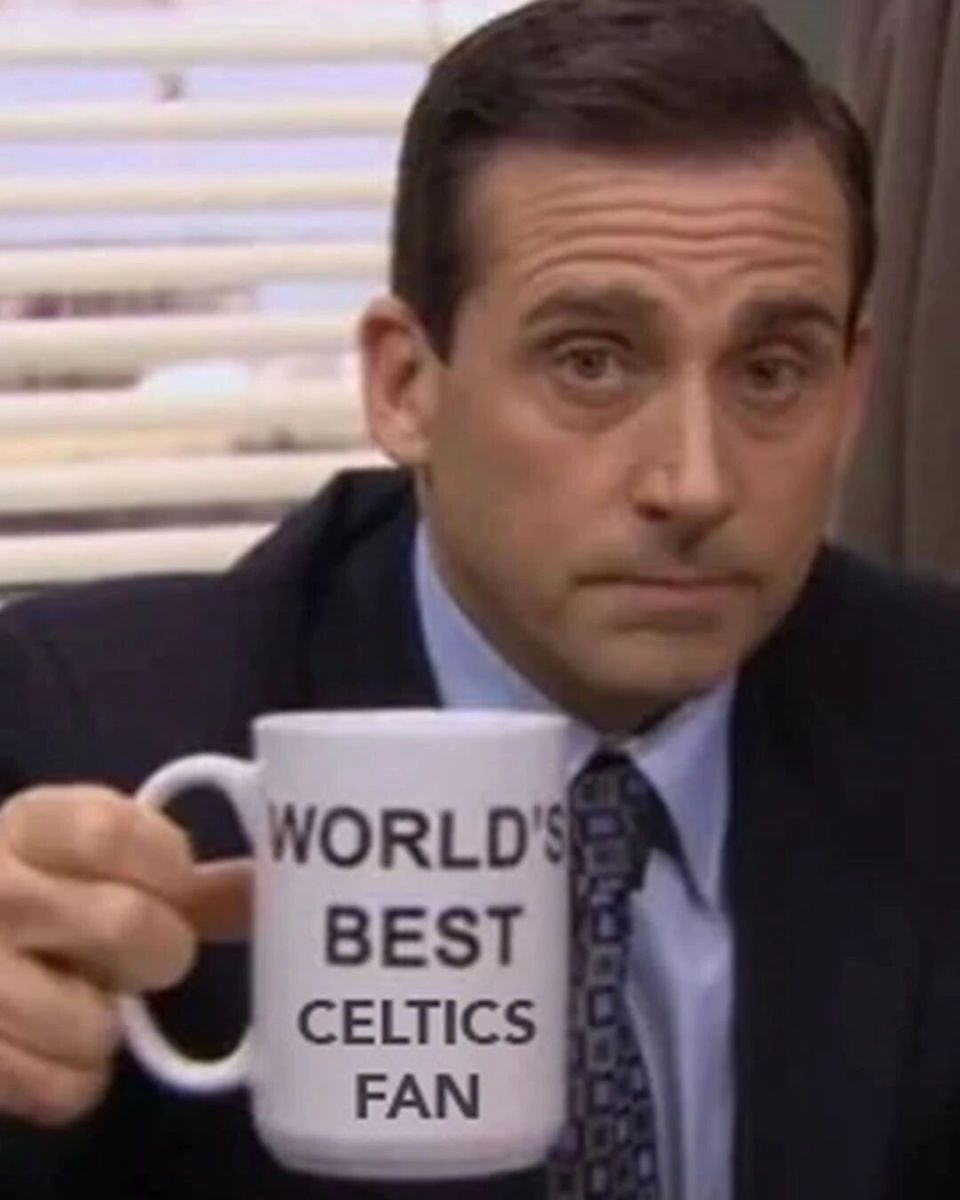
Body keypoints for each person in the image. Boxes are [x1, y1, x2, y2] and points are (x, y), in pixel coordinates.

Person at [2, 0, 960, 1196]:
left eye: (772, 371)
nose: (697, 484)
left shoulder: (935, 716)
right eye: (591, 361)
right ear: (407, 386)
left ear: (852, 391)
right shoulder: (88, 733)